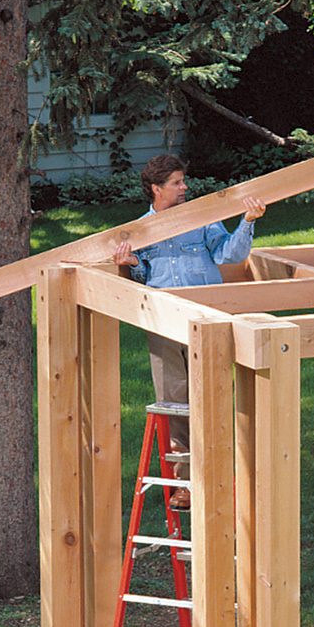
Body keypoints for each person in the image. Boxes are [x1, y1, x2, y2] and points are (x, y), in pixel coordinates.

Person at [113, 154, 266, 509]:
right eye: (177, 183)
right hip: (165, 323)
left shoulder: (202, 219)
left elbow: (230, 254)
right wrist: (133, 264)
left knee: (212, 395)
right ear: (156, 189)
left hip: (206, 317)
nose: (185, 187)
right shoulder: (139, 231)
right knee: (175, 401)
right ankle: (186, 484)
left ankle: (222, 478)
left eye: (184, 181)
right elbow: (142, 277)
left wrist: (247, 221)